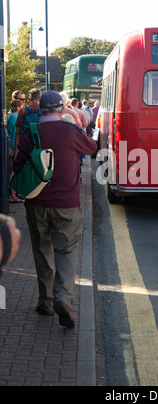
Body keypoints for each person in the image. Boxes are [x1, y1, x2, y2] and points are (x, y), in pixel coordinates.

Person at [13, 91, 97, 328]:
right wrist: (77, 127)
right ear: (62, 109)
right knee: (67, 251)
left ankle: (46, 302)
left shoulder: (32, 132)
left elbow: (18, 163)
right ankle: (64, 297)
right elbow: (91, 147)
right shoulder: (70, 131)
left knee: (42, 251)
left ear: (40, 109)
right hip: (67, 205)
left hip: (37, 203)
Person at [6, 99, 25, 203]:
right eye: (21, 106)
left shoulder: (10, 116)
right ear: (18, 108)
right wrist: (15, 148)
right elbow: (14, 134)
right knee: (13, 171)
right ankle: (12, 195)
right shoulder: (15, 117)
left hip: (8, 145)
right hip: (12, 147)